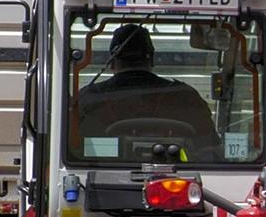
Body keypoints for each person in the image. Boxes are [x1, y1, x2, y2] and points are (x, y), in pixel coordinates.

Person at [74, 23, 218, 153]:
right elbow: (211, 150)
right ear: (152, 60)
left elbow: (74, 146)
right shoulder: (186, 97)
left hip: (101, 177)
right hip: (179, 178)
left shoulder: (89, 99)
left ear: (112, 62)